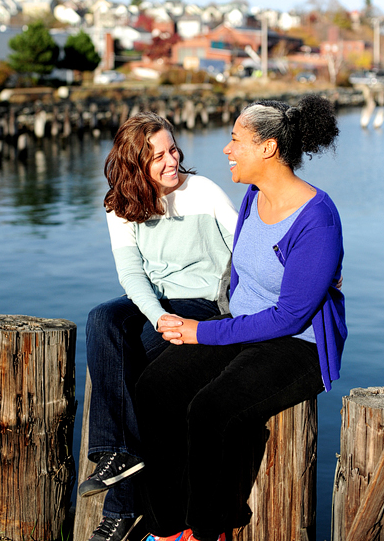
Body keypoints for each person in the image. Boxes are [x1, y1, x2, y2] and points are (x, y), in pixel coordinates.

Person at [137, 96, 346, 541]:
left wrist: (203, 332)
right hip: (245, 328)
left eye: (235, 140)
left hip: (298, 345)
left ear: (267, 148)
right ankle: (169, 526)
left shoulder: (318, 219)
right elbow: (241, 275)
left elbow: (289, 317)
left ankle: (207, 530)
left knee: (211, 409)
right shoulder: (253, 196)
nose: (227, 149)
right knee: (155, 387)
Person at [81, 112, 238, 541]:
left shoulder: (202, 191)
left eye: (173, 150)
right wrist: (157, 316)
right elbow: (131, 273)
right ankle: (115, 452)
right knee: (101, 318)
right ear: (135, 165)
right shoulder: (121, 204)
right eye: (158, 156)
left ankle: (118, 509)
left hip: (204, 304)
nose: (172, 161)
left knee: (132, 375)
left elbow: (248, 243)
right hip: (158, 304)